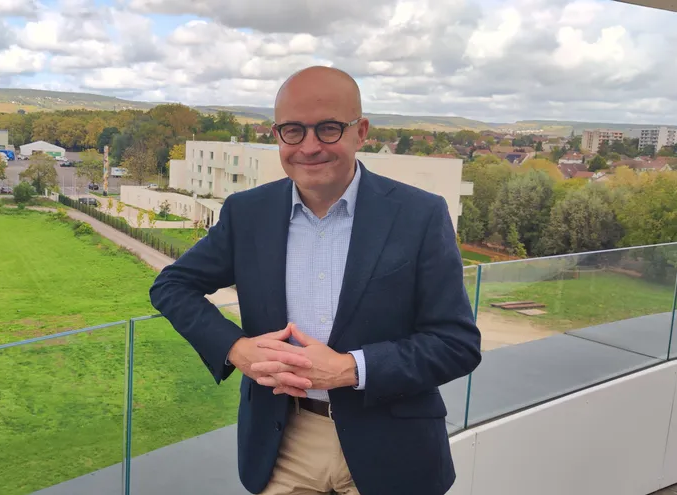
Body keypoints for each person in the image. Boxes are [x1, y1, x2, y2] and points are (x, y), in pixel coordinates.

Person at [148, 66, 482, 495]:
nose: (309, 147)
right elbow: (171, 286)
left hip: (392, 450)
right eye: (293, 130)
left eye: (328, 129)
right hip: (282, 446)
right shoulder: (247, 214)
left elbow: (456, 343)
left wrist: (350, 369)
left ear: (360, 132)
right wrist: (237, 349)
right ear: (277, 135)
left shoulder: (419, 215)